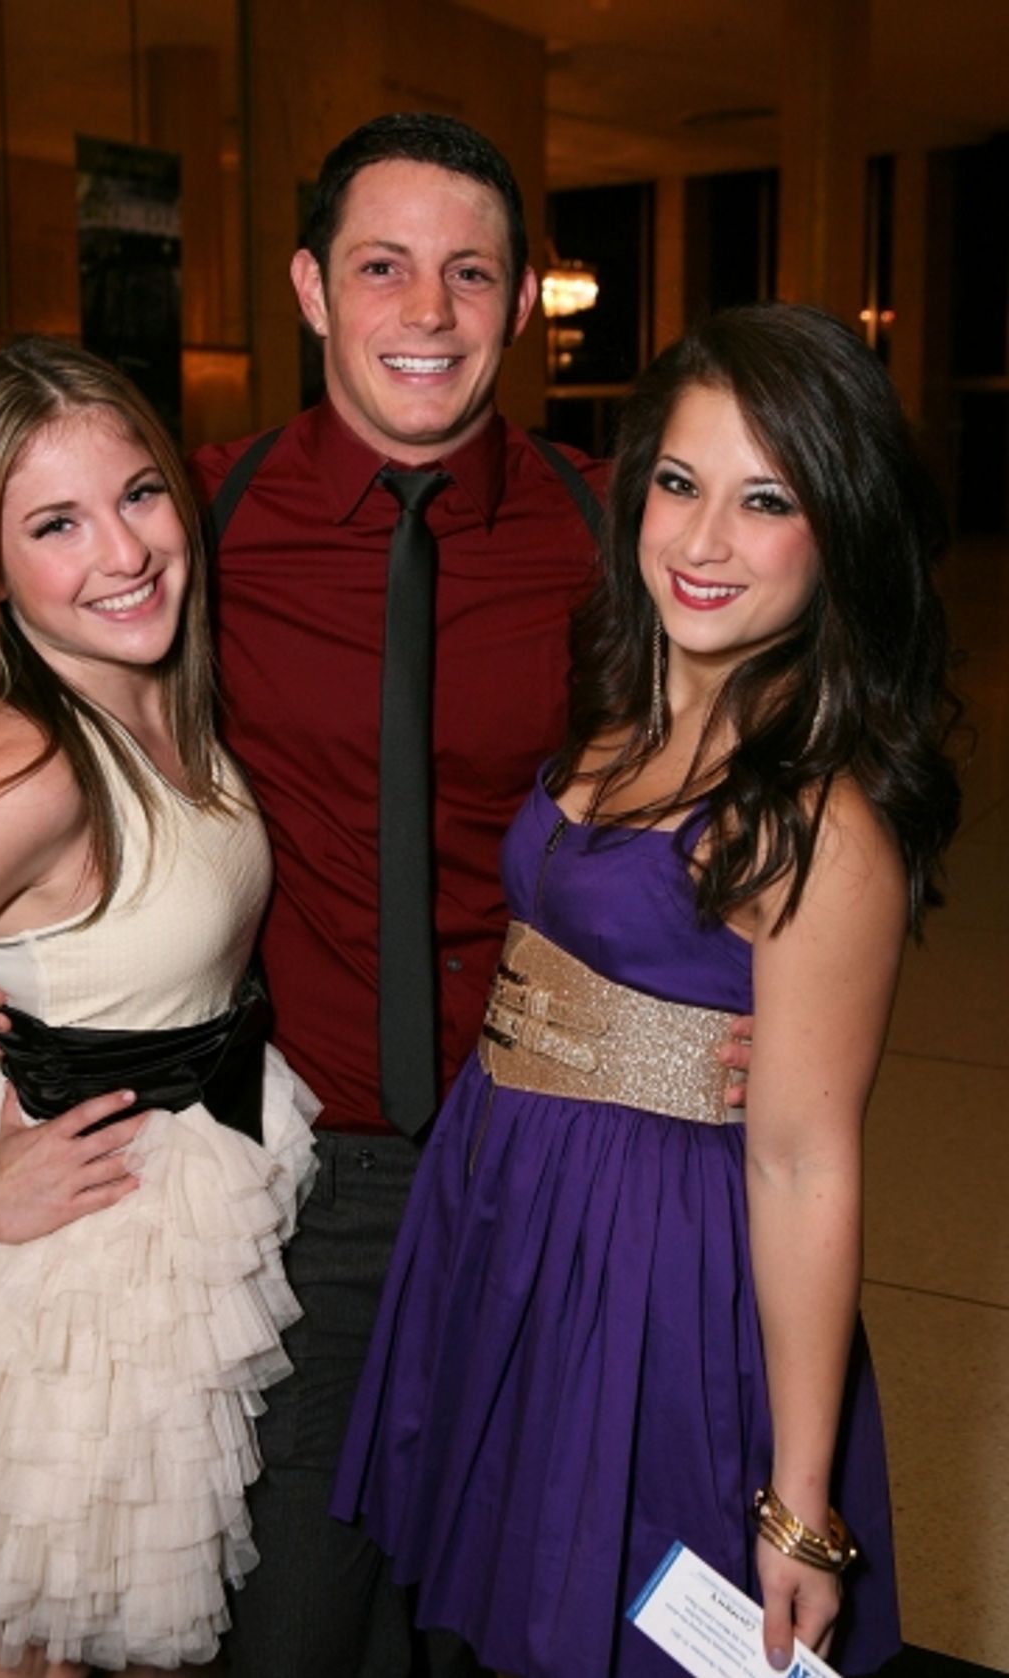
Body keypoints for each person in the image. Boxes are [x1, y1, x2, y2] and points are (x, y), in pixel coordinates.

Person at [0, 115, 751, 1678]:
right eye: (382, 267)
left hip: (552, 1145)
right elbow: (35, 721)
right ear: (310, 287)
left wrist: (763, 1003)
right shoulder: (196, 522)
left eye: (470, 273)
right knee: (293, 1616)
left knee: (526, 1601)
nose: (427, 311)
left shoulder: (609, 534)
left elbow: (769, 751)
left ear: (521, 302)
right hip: (302, 1159)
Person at [329, 301, 962, 1678]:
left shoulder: (817, 821)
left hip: (654, 1265)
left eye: (766, 500)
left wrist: (799, 1508)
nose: (703, 539)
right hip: (514, 1210)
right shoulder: (627, 708)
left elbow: (803, 1161)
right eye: (679, 482)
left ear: (839, 533)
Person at [0, 338, 317, 1676]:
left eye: (138, 494)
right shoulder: (32, 761)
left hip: (164, 1216)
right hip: (72, 1267)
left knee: (118, 1638)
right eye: (55, 524)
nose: (124, 551)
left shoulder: (155, 695)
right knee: (27, 1652)